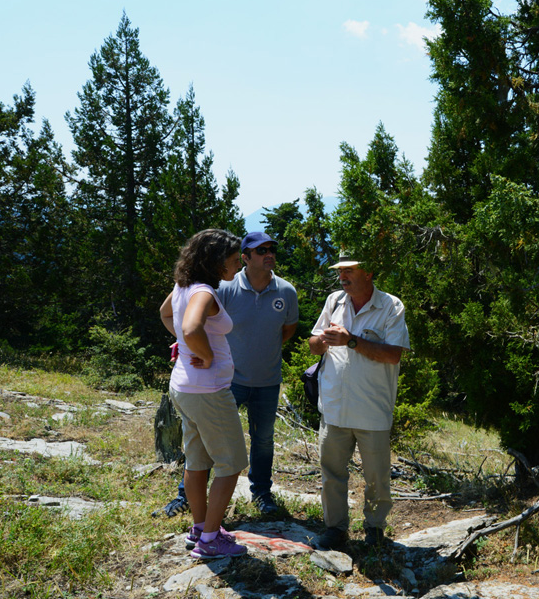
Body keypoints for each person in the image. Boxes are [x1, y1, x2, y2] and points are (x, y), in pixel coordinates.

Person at [156, 231, 299, 519]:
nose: (269, 253)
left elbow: (287, 331)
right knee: (209, 449)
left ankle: (260, 495)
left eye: (272, 249)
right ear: (244, 258)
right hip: (224, 382)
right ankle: (189, 502)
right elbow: (180, 317)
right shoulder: (221, 286)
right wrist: (196, 348)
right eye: (261, 251)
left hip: (266, 379)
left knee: (263, 441)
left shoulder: (286, 292)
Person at [308, 254, 410, 549]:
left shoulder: (391, 306)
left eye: (350, 270)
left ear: (370, 272)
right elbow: (314, 346)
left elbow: (394, 354)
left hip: (372, 408)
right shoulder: (334, 301)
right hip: (334, 406)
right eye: (341, 270)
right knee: (332, 473)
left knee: (377, 476)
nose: (343, 276)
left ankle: (375, 529)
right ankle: (335, 529)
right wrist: (323, 340)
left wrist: (351, 340)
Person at [160, 229, 249, 559]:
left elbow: (166, 314)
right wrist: (205, 354)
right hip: (209, 390)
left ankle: (200, 528)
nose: (238, 265)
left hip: (185, 387)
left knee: (197, 460)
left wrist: (185, 346)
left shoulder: (183, 287)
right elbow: (191, 327)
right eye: (234, 260)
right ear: (215, 262)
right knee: (230, 463)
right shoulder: (204, 293)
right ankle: (211, 540)